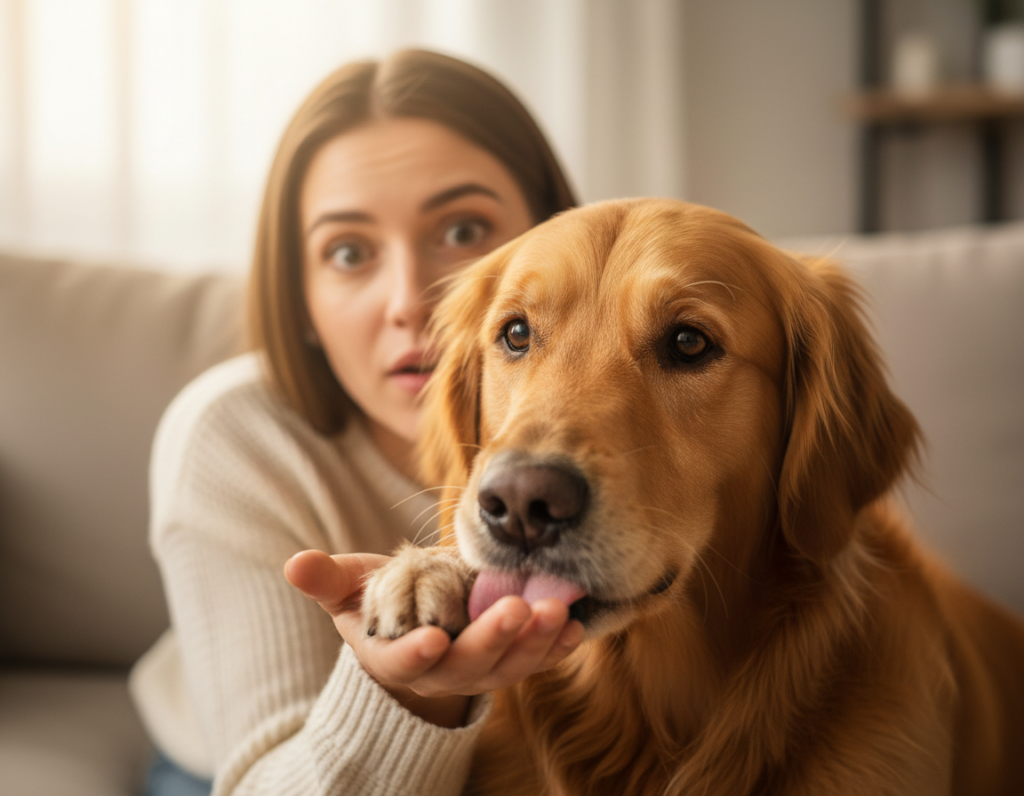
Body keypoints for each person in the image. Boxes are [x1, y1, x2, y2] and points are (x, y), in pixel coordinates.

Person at [128, 48, 580, 796]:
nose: (413, 299)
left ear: (557, 233)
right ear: (301, 298)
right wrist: (398, 690)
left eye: (465, 231)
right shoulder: (230, 438)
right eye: (347, 251)